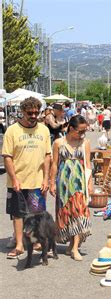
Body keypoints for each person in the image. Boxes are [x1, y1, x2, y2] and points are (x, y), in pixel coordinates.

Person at [2, 97, 51, 258]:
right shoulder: (13, 130)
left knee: (37, 212)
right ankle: (19, 245)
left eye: (37, 112)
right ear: (22, 112)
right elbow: (7, 156)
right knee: (18, 214)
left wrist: (46, 179)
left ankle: (36, 240)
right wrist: (14, 178)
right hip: (18, 181)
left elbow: (47, 156)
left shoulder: (43, 130)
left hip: (37, 181)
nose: (33, 115)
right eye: (30, 113)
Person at [49, 115, 92, 261]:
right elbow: (54, 163)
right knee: (66, 212)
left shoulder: (85, 143)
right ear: (71, 128)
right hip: (64, 182)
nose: (82, 134)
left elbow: (88, 164)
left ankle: (75, 248)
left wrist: (90, 184)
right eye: (80, 131)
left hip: (79, 182)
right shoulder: (58, 143)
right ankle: (70, 245)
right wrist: (52, 182)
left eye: (84, 131)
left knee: (79, 212)